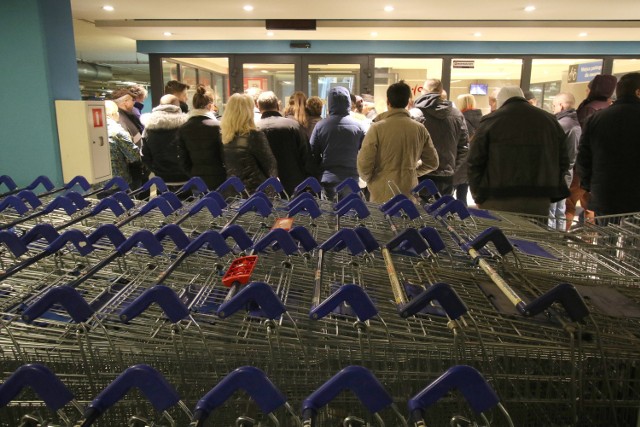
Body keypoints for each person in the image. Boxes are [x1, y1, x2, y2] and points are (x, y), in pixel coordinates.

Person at [467, 86, 570, 216]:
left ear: (500, 102)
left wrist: (478, 195)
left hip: (497, 197)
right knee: (533, 235)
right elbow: (564, 160)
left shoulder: (491, 122)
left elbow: (475, 162)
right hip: (538, 199)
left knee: (499, 236)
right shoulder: (548, 120)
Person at [357, 81, 439, 203]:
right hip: (409, 190)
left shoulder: (377, 128)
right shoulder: (419, 129)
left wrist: (371, 179)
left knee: (383, 222)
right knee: (407, 220)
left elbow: (364, 164)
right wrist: (412, 172)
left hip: (381, 191)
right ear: (408, 101)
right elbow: (433, 162)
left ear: (388, 102)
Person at [576, 72, 640, 220]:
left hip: (605, 196)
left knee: (606, 239)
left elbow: (584, 157)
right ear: (638, 92)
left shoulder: (596, 118)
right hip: (636, 200)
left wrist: (586, 187)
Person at [568, 74, 618, 227]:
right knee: (590, 206)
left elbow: (583, 141)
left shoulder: (589, 109)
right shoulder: (610, 109)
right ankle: (590, 239)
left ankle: (563, 237)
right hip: (600, 169)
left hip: (583, 167)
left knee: (569, 202)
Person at [411, 79, 469, 196]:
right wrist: (452, 167)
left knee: (419, 213)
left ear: (423, 91)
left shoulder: (415, 113)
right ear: (441, 92)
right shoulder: (456, 114)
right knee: (443, 212)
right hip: (446, 176)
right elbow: (464, 147)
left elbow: (407, 145)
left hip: (420, 174)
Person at [310, 86, 365, 200]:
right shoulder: (359, 126)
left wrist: (320, 170)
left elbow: (312, 153)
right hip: (351, 178)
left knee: (329, 214)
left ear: (330, 103)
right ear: (348, 102)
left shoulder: (320, 126)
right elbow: (366, 152)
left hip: (328, 178)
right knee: (350, 214)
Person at [256, 91, 315, 196]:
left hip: (265, 186)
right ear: (278, 105)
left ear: (258, 107)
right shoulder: (293, 126)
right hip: (294, 184)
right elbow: (306, 156)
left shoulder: (254, 129)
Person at [220, 93, 278, 194]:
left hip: (233, 192)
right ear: (248, 112)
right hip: (256, 192)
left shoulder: (225, 137)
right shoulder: (254, 135)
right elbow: (270, 165)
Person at [177, 85, 226, 190]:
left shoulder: (184, 128)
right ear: (209, 106)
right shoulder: (218, 126)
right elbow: (224, 154)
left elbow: (182, 158)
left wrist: (191, 173)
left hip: (196, 179)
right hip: (219, 178)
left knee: (200, 206)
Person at [141, 94, 189, 186]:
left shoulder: (149, 127)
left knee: (163, 200)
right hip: (186, 178)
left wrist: (155, 169)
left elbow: (144, 154)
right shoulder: (186, 126)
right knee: (190, 200)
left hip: (162, 179)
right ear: (178, 106)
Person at [549, 93, 581, 231]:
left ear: (561, 105)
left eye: (554, 105)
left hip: (555, 173)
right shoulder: (576, 124)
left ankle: (549, 243)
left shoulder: (561, 125)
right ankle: (559, 239)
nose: (553, 109)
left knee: (551, 212)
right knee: (560, 211)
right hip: (567, 173)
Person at [112, 88, 148, 193]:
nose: (134, 102)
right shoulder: (121, 121)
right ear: (125, 102)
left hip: (137, 169)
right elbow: (128, 150)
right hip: (133, 170)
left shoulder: (128, 116)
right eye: (132, 100)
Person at [453, 94, 483, 206]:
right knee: (463, 195)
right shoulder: (482, 120)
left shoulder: (460, 119)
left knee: (447, 196)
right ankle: (464, 219)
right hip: (472, 162)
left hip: (459, 161)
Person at [104, 100, 141, 188]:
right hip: (118, 182)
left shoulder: (91, 131)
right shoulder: (116, 131)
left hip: (99, 184)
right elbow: (133, 156)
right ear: (114, 114)